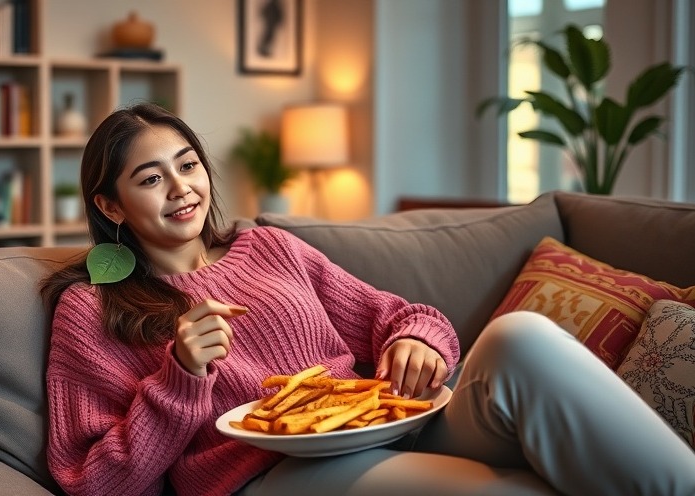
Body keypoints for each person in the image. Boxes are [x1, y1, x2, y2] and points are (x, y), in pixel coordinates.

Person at [41, 102, 695, 496]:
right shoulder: (91, 308)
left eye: (187, 164)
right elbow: (95, 484)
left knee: (517, 337)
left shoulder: (269, 248)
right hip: (265, 476)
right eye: (150, 178)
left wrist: (415, 341)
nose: (181, 188)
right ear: (109, 205)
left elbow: (403, 316)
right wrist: (178, 378)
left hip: (379, 425)